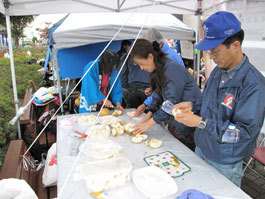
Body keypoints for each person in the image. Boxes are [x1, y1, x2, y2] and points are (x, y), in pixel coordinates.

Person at [173, 11, 265, 187]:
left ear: (236, 45)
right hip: (202, 148)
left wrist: (201, 123)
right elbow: (209, 105)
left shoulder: (254, 84)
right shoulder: (218, 71)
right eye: (210, 53)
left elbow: (243, 133)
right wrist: (193, 106)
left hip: (224, 160)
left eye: (215, 52)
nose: (212, 58)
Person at [131, 39, 201, 150]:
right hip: (176, 119)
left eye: (141, 64)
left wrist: (149, 124)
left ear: (150, 57)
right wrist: (148, 115)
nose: (141, 68)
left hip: (189, 120)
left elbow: (170, 103)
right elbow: (158, 94)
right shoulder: (158, 69)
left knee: (184, 152)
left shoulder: (171, 69)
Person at [135, 28, 185, 116]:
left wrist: (147, 107)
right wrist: (153, 87)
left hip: (177, 108)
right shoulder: (158, 58)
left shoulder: (169, 59)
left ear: (159, 45)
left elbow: (168, 91)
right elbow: (161, 85)